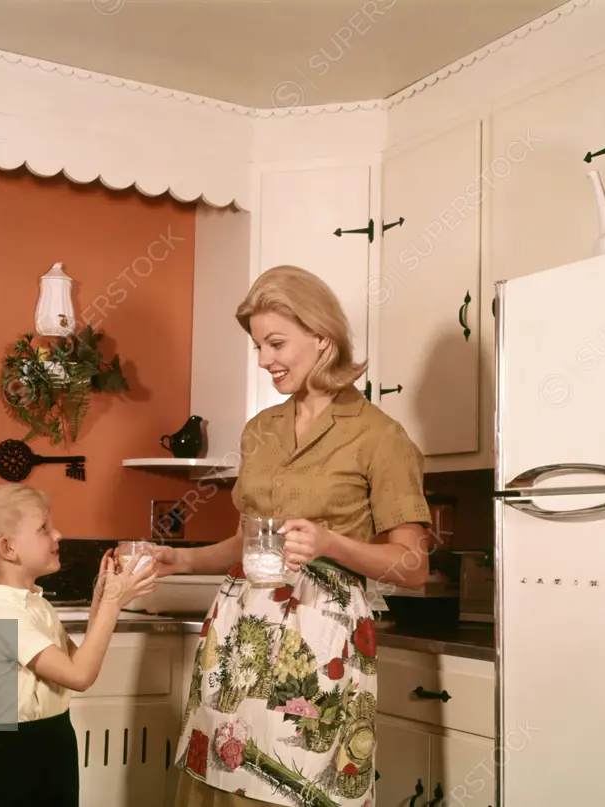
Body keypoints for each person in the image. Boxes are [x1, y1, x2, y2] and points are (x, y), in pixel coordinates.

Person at [153, 265, 432, 807]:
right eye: (259, 346)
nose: (265, 360)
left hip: (319, 645)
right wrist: (178, 561)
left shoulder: (379, 436)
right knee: (217, 781)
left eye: (276, 343)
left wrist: (331, 544)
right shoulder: (260, 430)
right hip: (236, 636)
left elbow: (413, 566)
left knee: (297, 789)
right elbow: (245, 545)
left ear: (323, 337)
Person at [0, 482, 158, 807]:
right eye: (43, 528)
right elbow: (79, 676)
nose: (58, 535)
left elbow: (76, 662)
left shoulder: (36, 604)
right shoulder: (1, 615)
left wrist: (104, 598)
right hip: (20, 757)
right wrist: (111, 604)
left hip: (57, 741)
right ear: (8, 548)